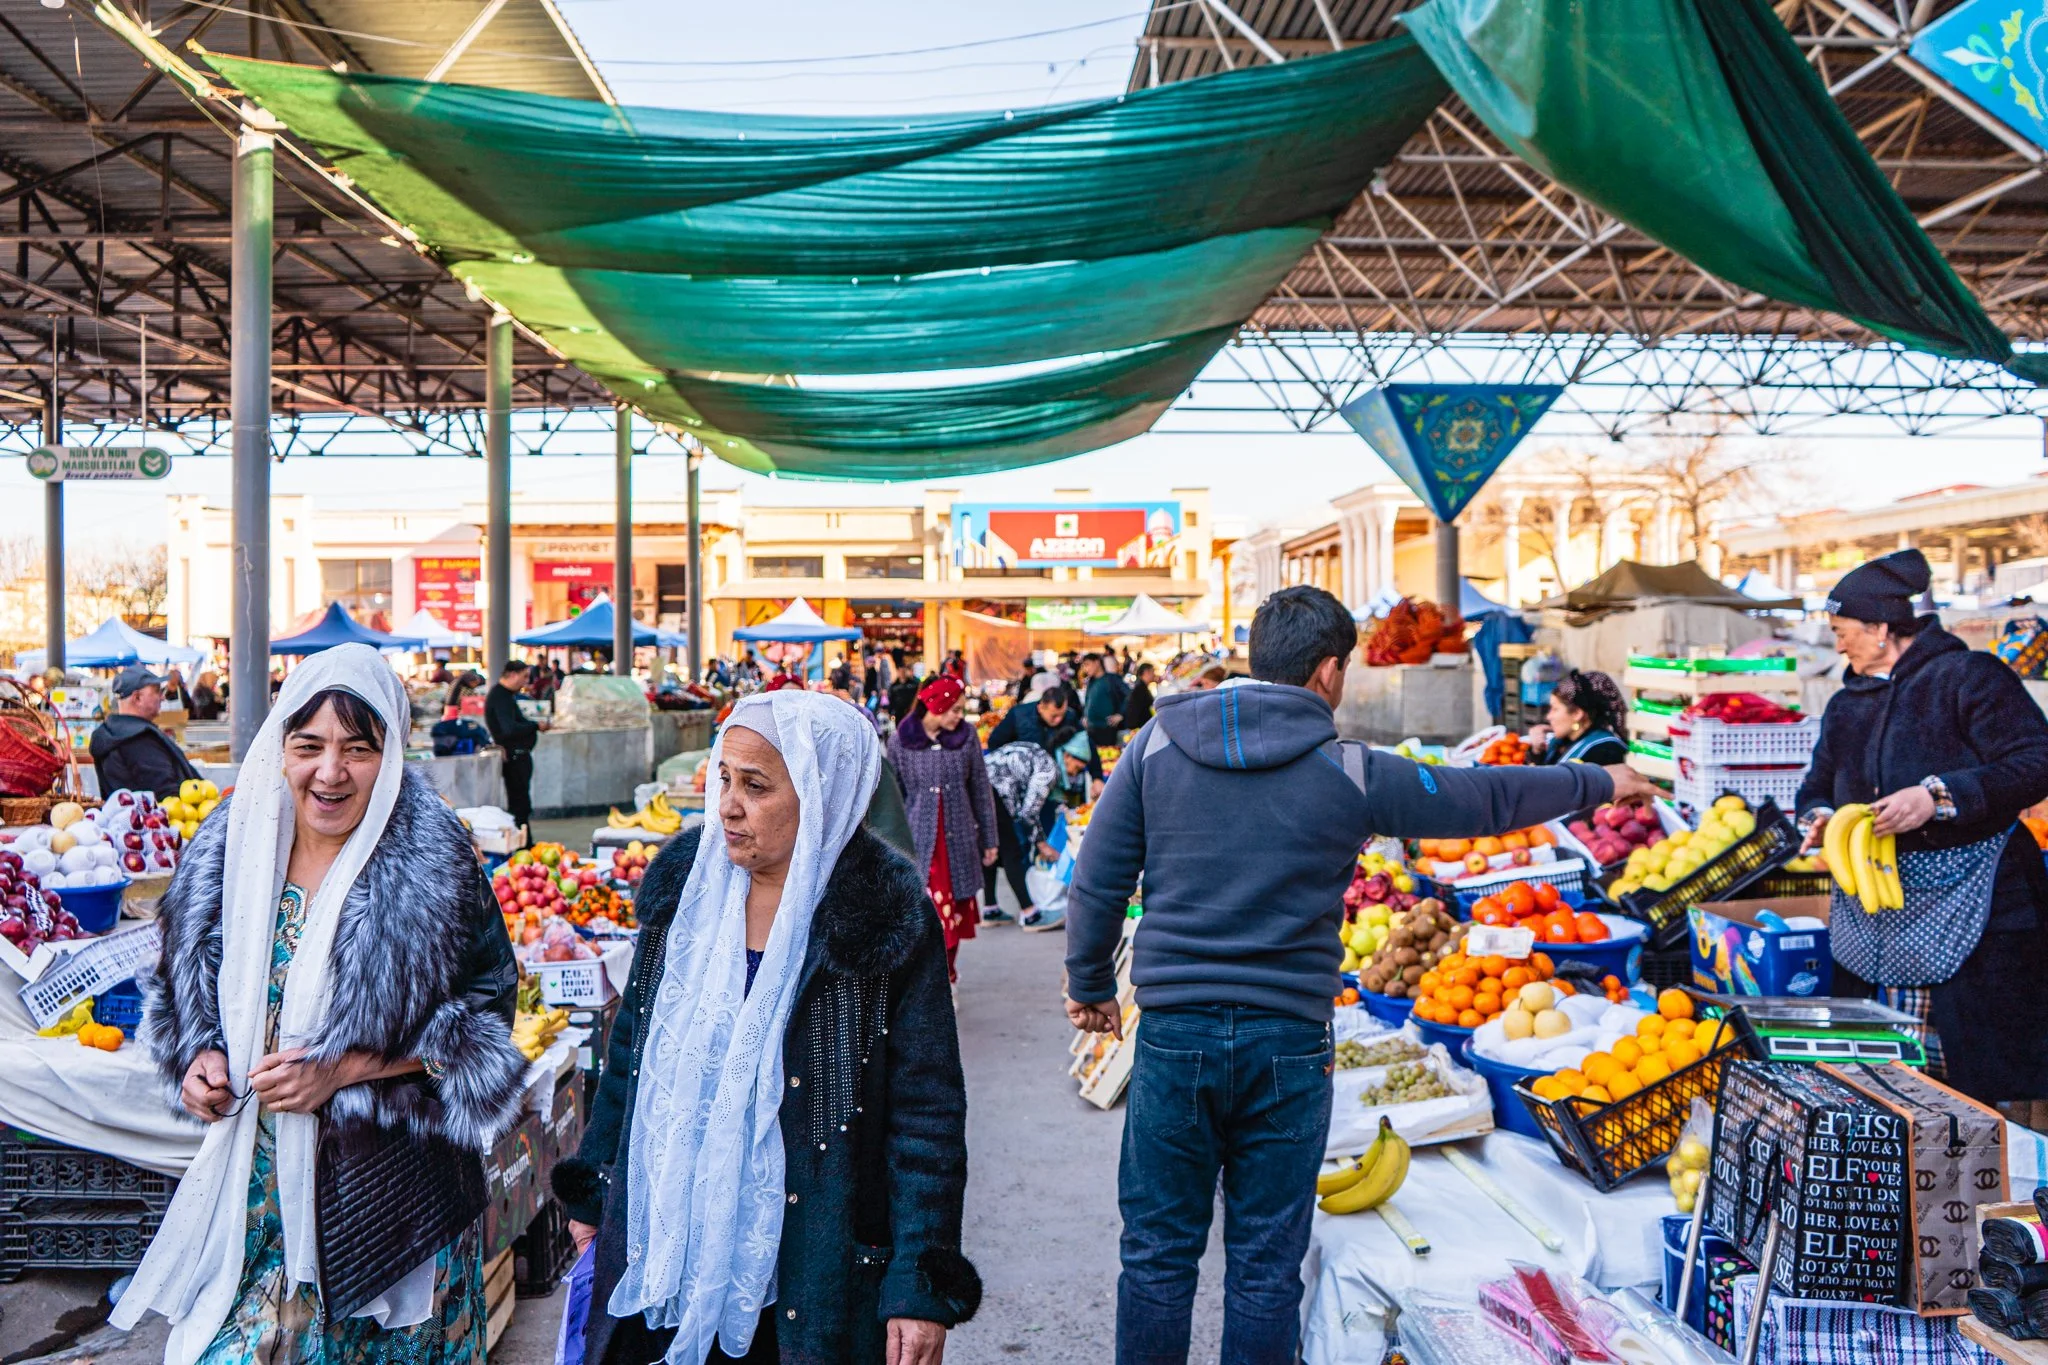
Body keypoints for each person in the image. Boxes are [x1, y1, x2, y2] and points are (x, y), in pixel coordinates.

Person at [1065, 585, 1655, 1364]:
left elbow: (1098, 880)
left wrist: (1090, 985)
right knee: (1267, 1267)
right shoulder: (1350, 770)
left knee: (1156, 1257)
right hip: (1288, 1042)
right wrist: (1599, 782)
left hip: (1176, 1035)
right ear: (1330, 672)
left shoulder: (1156, 745)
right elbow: (1483, 797)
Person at [113, 644, 526, 1364]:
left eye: (357, 749)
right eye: (309, 745)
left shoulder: (435, 863)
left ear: (390, 753)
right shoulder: (230, 846)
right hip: (256, 1196)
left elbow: (488, 1020)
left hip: (384, 1202)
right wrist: (202, 1053)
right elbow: (183, 985)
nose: (329, 772)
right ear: (281, 746)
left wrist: (343, 1070)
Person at [555, 691, 979, 1365]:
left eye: (755, 786)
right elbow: (633, 1055)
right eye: (723, 778)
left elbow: (926, 1113)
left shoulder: (881, 918)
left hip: (812, 1268)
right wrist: (596, 1189)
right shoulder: (683, 897)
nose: (727, 804)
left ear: (820, 792)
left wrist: (918, 1285)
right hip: (666, 1248)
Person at [1795, 549, 2048, 1111]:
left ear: (1881, 628)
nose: (1836, 645)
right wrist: (1817, 818)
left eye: (1841, 631)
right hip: (1872, 908)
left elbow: (2036, 760)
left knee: (1980, 1082)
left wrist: (1938, 798)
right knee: (1879, 1079)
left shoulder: (1969, 678)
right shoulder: (1845, 705)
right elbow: (1815, 786)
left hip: (1976, 904)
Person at [888, 676, 999, 983]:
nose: (959, 716)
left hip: (957, 842)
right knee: (930, 913)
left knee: (955, 911)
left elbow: (980, 789)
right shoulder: (901, 740)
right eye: (955, 709)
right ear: (935, 705)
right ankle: (935, 975)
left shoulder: (967, 738)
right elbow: (894, 796)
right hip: (919, 844)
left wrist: (989, 839)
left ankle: (946, 973)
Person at [89, 666, 201, 801]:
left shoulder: (110, 732)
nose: (162, 697)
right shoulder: (139, 738)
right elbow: (166, 794)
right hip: (167, 819)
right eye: (157, 691)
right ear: (137, 698)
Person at [485, 661, 548, 831]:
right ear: (512, 675)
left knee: (521, 803)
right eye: (524, 676)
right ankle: (522, 844)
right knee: (519, 804)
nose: (526, 681)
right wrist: (535, 726)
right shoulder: (500, 697)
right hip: (515, 757)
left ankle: (524, 841)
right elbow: (509, 728)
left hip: (519, 756)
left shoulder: (505, 696)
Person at [1528, 669, 1630, 766]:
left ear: (1577, 713)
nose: (1548, 717)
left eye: (1555, 709)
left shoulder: (1604, 751)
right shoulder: (1560, 742)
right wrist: (1536, 751)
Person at [1079, 653, 1128, 748]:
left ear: (1097, 662)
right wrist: (1085, 716)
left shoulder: (1112, 679)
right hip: (1091, 729)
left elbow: (1129, 696)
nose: (1086, 668)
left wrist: (1121, 714)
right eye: (1084, 665)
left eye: (1087, 664)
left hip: (1106, 729)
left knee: (1107, 757)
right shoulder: (1091, 681)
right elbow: (1088, 700)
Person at [1123, 662, 1157, 732]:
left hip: (1139, 727)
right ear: (1146, 672)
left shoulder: (1141, 686)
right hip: (1139, 728)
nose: (1154, 675)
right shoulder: (1140, 689)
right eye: (1153, 672)